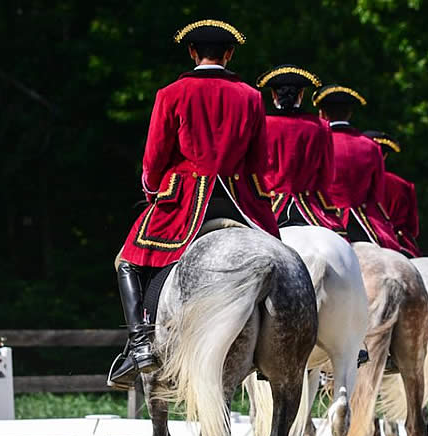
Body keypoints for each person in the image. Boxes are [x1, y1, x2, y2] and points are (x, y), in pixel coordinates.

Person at [108, 19, 279, 389]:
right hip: (236, 198)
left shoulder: (171, 93)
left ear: (191, 52)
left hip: (186, 198)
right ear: (229, 54)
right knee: (281, 255)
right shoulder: (251, 96)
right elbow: (259, 162)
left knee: (127, 259)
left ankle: (139, 345)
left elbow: (153, 160)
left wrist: (153, 189)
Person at [254, 65, 347, 236]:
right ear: (301, 94)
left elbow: (253, 168)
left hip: (270, 206)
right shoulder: (321, 127)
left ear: (274, 95)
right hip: (309, 205)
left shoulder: (263, 124)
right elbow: (326, 177)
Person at [312, 85, 402, 250]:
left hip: (325, 217)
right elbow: (377, 195)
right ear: (350, 113)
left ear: (322, 113)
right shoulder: (371, 146)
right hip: (362, 220)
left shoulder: (316, 142)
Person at [362, 130, 422, 257]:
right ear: (385, 156)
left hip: (367, 235)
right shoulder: (404, 184)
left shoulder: (358, 181)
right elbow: (413, 229)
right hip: (400, 242)